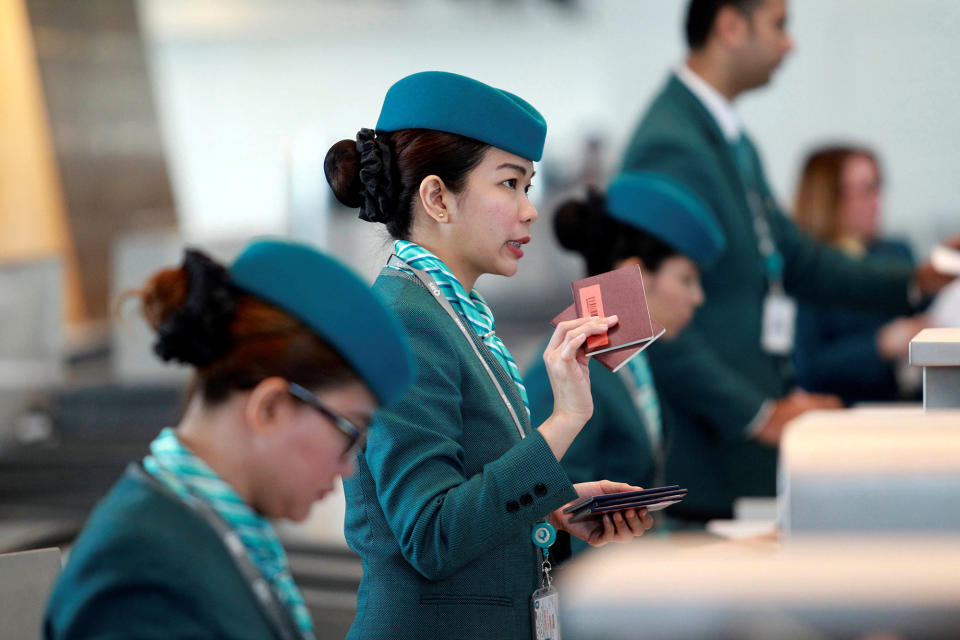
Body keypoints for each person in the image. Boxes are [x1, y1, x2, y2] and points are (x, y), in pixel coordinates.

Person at [324, 71, 654, 640]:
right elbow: (432, 534)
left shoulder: (450, 312)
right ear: (436, 197)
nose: (529, 211)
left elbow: (467, 492)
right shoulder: (407, 319)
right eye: (510, 184)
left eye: (529, 186)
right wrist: (565, 422)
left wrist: (553, 506)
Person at [620, 0, 953, 522]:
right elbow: (636, 313)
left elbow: (795, 259)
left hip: (740, 442)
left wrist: (918, 278)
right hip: (707, 447)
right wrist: (758, 415)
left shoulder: (729, 139)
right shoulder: (672, 142)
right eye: (779, 25)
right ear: (730, 26)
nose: (790, 43)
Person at [45, 239, 415, 639]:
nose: (347, 466)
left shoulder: (204, 530)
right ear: (269, 408)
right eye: (349, 432)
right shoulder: (139, 585)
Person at [526, 172, 725, 550]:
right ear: (635, 273)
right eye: (686, 279)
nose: (696, 297)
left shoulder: (630, 363)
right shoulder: (568, 371)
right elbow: (562, 520)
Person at [793, 145, 929, 404]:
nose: (876, 200)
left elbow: (930, 314)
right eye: (866, 190)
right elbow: (807, 368)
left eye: (878, 187)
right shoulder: (806, 269)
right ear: (828, 198)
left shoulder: (898, 253)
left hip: (910, 405)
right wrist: (880, 345)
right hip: (843, 414)